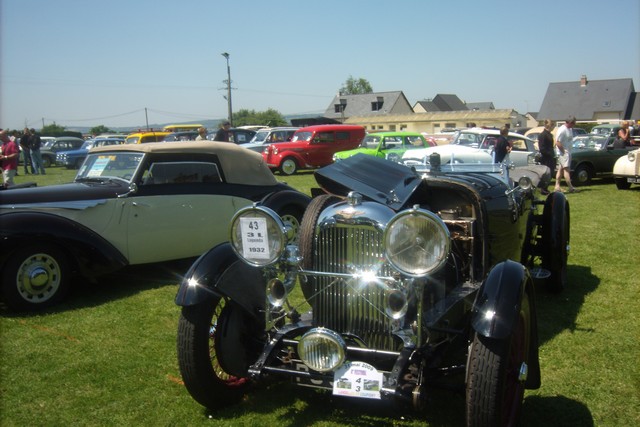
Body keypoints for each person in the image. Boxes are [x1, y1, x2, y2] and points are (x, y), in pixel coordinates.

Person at [554, 116, 578, 193]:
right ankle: (571, 187)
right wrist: (564, 151)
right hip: (563, 153)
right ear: (570, 122)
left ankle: (557, 186)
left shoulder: (570, 129)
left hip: (568, 152)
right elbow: (557, 142)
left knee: (560, 170)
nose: (574, 125)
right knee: (567, 170)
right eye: (573, 123)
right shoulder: (562, 130)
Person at [537, 119, 556, 194]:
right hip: (545, 158)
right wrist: (549, 153)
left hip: (550, 157)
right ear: (549, 125)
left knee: (551, 173)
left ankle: (546, 188)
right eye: (552, 125)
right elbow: (542, 148)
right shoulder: (543, 135)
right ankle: (543, 189)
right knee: (546, 173)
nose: (553, 127)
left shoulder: (550, 134)